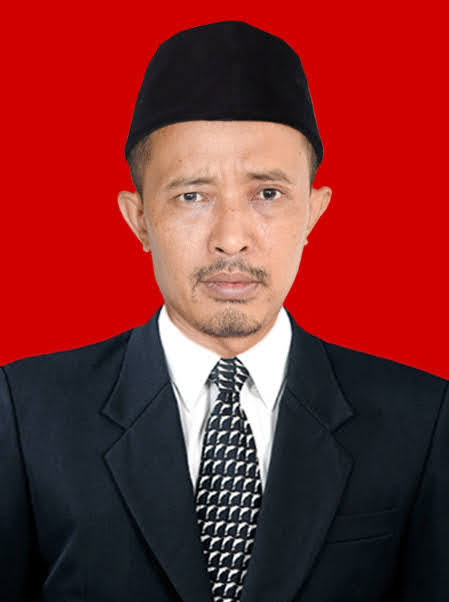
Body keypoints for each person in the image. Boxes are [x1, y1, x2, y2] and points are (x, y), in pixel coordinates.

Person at [1, 19, 448, 602]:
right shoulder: (25, 413)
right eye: (192, 196)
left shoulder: (422, 419)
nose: (231, 239)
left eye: (268, 194)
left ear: (313, 212)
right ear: (139, 219)